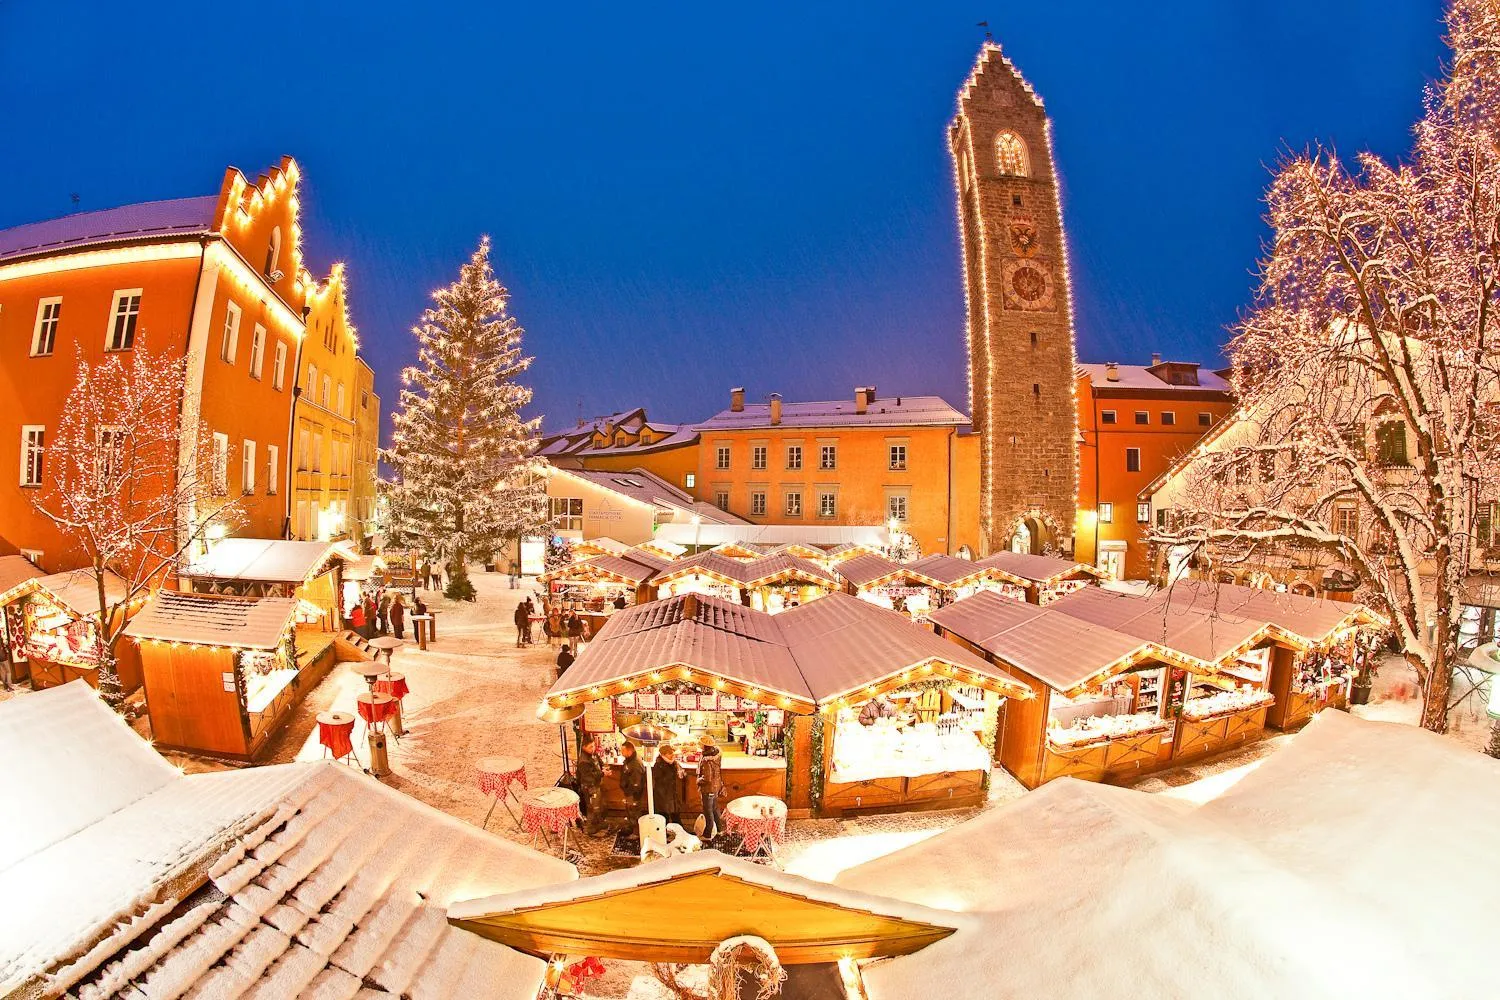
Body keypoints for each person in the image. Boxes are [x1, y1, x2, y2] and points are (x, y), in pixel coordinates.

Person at [696, 732, 726, 839]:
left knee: (708, 812)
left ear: (704, 746)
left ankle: (707, 834)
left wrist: (698, 780)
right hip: (716, 787)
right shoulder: (715, 755)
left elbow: (707, 778)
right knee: (715, 809)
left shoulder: (706, 760)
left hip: (708, 789)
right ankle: (720, 830)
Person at [576, 736, 607, 836]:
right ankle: (590, 828)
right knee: (592, 808)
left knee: (600, 806)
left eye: (593, 746)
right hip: (590, 787)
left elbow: (599, 763)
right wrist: (602, 773)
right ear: (584, 747)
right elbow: (589, 776)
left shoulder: (593, 754)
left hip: (597, 785)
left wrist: (604, 768)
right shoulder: (583, 761)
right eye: (590, 747)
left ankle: (599, 823)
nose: (593, 748)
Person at [652, 743, 683, 829]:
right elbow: (659, 780)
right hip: (663, 795)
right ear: (663, 755)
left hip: (671, 794)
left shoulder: (672, 763)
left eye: (672, 753)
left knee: (675, 814)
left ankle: (679, 831)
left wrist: (679, 770)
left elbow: (681, 774)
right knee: (664, 815)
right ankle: (664, 833)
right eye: (670, 753)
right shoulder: (659, 765)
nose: (672, 755)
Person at [619, 741, 647, 830]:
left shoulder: (635, 764)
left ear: (629, 751)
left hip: (633, 794)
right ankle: (631, 828)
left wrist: (629, 793)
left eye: (623, 751)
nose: (621, 753)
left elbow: (636, 783)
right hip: (630, 792)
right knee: (631, 811)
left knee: (634, 812)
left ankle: (636, 832)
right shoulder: (630, 760)